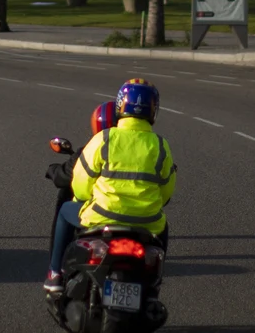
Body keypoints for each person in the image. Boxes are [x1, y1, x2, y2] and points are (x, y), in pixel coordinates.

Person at [45, 80, 176, 294]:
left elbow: (79, 183)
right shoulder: (161, 145)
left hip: (102, 215)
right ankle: (155, 281)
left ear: (120, 107)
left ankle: (54, 274)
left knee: (64, 211)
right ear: (153, 111)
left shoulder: (104, 138)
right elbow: (166, 192)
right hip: (147, 221)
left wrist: (87, 200)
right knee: (164, 226)